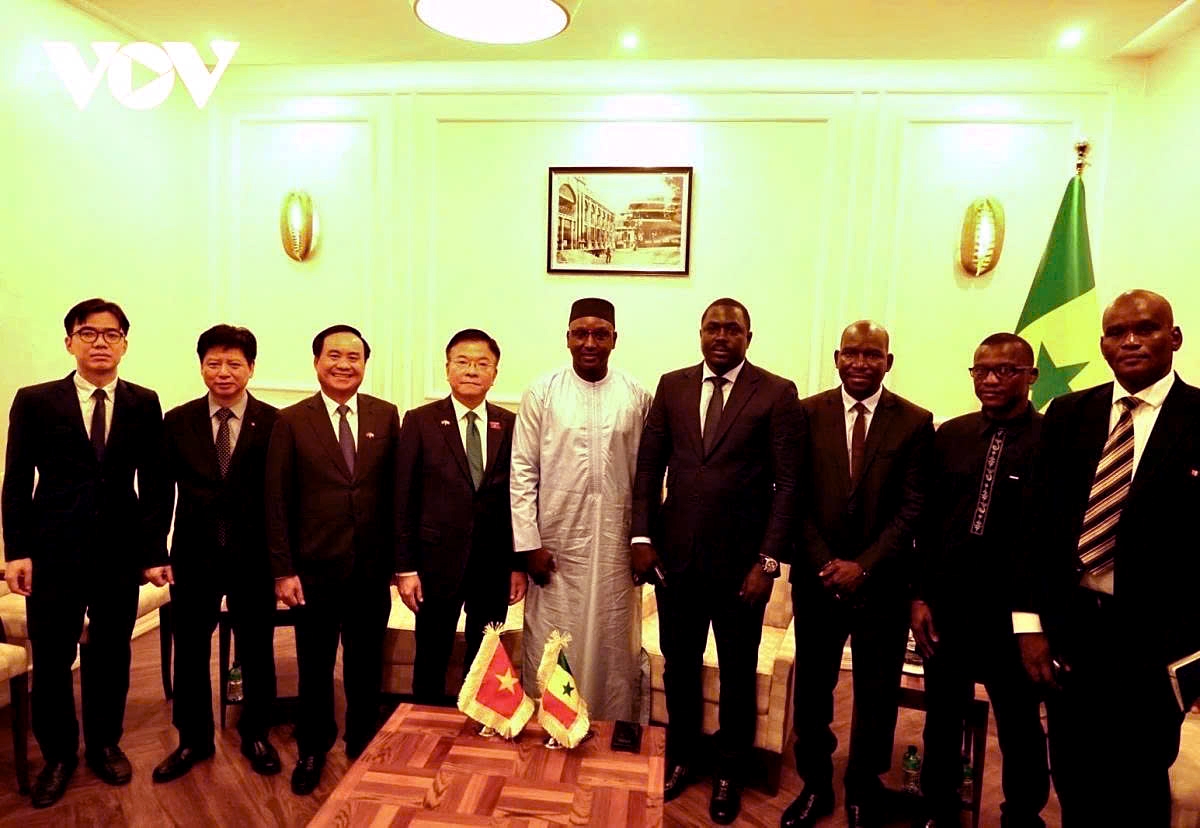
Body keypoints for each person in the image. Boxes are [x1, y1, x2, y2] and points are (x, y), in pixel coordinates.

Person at [1014, 290, 1200, 827]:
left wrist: (1191, 659)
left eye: (1145, 329)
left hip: (1154, 648)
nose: (1131, 341)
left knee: (1139, 787)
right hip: (1072, 634)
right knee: (1073, 777)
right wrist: (1029, 626)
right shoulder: (1070, 412)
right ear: (1102, 345)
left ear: (1175, 338)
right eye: (1117, 333)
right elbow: (1036, 528)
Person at [631, 298, 802, 825]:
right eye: (713, 327)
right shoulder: (672, 385)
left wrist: (767, 562)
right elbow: (648, 468)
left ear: (749, 336)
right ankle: (681, 756)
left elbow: (788, 485)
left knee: (736, 672)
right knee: (678, 667)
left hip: (741, 570)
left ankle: (729, 770)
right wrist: (641, 537)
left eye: (733, 328)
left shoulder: (776, 392)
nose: (721, 336)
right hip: (675, 562)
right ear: (700, 333)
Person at [2, 298, 169, 807]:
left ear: (124, 342)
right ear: (69, 340)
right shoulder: (35, 400)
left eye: (111, 334)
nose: (101, 343)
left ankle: (104, 743)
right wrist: (18, 551)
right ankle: (57, 755)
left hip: (118, 551)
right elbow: (15, 479)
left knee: (112, 652)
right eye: (89, 333)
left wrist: (153, 549)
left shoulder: (144, 402)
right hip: (53, 550)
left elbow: (158, 483)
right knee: (52, 656)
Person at [783, 320, 933, 828]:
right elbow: (792, 498)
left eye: (873, 354)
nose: (862, 362)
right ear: (837, 358)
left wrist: (863, 566)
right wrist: (827, 562)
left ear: (889, 362)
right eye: (852, 353)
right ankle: (816, 785)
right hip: (817, 580)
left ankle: (862, 787)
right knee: (813, 692)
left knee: (875, 692)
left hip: (883, 585)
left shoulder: (914, 422)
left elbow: (913, 508)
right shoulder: (806, 413)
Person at [910, 333, 1049, 828]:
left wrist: (1035, 620)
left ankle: (1022, 814)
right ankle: (939, 809)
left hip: (1012, 614)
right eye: (981, 369)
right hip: (948, 606)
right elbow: (927, 523)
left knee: (1019, 726)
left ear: (1031, 376)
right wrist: (920, 594)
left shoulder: (1051, 440)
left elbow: (1051, 538)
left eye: (1006, 369)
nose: (991, 379)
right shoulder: (950, 435)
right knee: (940, 720)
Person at [264, 324, 399, 795]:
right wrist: (283, 569)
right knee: (314, 663)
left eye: (354, 356)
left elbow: (393, 497)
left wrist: (399, 564)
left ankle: (363, 740)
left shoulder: (386, 416)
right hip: (313, 569)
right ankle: (313, 746)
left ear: (365, 363)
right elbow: (276, 500)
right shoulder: (291, 420)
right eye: (334, 355)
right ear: (317, 361)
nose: (344, 364)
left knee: (365, 662)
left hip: (370, 567)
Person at [148, 325, 282, 783]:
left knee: (258, 648)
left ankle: (255, 734)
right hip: (194, 554)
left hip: (254, 555)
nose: (223, 372)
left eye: (234, 363)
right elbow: (159, 491)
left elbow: (283, 496)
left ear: (250, 368)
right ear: (202, 365)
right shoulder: (177, 420)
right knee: (188, 651)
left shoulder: (274, 421)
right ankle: (193, 740)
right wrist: (155, 551)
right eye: (213, 363)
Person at [510, 298, 652, 722]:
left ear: (614, 339)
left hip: (615, 547)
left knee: (613, 639)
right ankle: (550, 723)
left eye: (600, 333)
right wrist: (528, 545)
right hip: (555, 548)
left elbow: (649, 477)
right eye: (580, 333)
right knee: (555, 638)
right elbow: (522, 472)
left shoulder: (636, 396)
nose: (590, 342)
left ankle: (611, 729)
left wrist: (642, 539)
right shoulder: (542, 392)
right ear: (567, 339)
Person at [395, 328, 524, 704]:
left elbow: (519, 499)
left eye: (482, 364)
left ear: (495, 373)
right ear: (447, 369)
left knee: (486, 655)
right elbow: (403, 498)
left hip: (493, 565)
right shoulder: (419, 421)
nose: (472, 370)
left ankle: (478, 724)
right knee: (431, 654)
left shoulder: (510, 423)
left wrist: (518, 565)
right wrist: (405, 568)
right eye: (462, 362)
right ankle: (423, 728)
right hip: (435, 564)